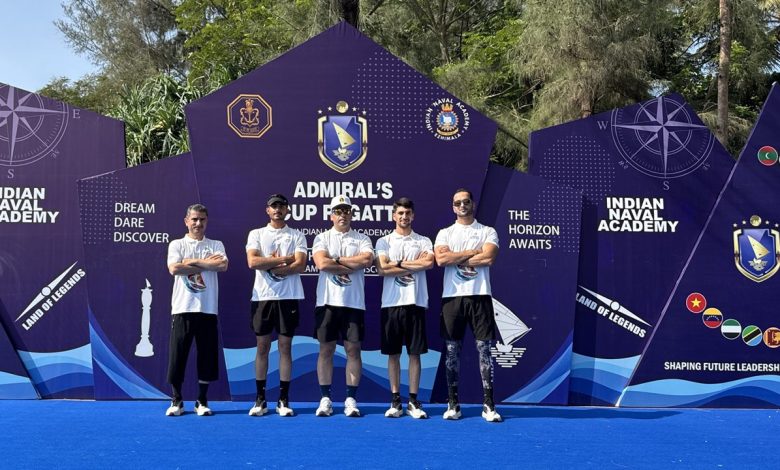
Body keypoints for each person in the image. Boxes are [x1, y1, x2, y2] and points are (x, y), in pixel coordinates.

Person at [434, 189, 502, 422]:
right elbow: (442, 259)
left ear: (472, 203)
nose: (462, 205)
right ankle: (453, 404)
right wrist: (473, 251)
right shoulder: (445, 233)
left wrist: (457, 257)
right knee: (452, 351)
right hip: (452, 298)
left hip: (480, 296)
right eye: (457, 203)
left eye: (465, 201)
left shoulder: (487, 231)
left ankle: (489, 405)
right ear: (453, 207)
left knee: (484, 350)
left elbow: (489, 258)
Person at [311, 195, 374, 417]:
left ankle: (350, 399)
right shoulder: (322, 238)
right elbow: (321, 263)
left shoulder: (362, 238)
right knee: (326, 350)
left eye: (346, 210)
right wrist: (350, 263)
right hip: (327, 302)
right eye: (338, 211)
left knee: (353, 350)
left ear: (352, 214)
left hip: (353, 303)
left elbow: (366, 260)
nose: (343, 215)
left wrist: (335, 261)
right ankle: (325, 399)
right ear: (331, 215)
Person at [245, 194, 308, 417]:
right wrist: (284, 260)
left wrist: (272, 265)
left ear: (287, 210)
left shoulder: (297, 235)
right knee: (262, 347)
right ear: (268, 210)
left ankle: (283, 399)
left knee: (285, 347)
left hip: (288, 298)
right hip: (262, 297)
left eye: (281, 206)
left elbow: (300, 265)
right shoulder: (256, 234)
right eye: (274, 206)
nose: (277, 209)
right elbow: (253, 261)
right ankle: (260, 399)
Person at [165, 204, 228, 417]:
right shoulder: (177, 244)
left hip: (207, 309)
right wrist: (206, 264)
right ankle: (177, 400)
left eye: (202, 219)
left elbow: (222, 266)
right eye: (194, 219)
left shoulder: (216, 244)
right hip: (183, 308)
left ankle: (201, 400)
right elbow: (174, 268)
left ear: (206, 221)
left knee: (207, 356)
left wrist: (191, 262)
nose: (198, 223)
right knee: (178, 355)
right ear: (186, 221)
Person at [375, 197, 434, 419]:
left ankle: (413, 400)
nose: (404, 217)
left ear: (413, 215)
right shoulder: (384, 242)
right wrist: (412, 265)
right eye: (400, 213)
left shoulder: (423, 241)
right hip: (391, 304)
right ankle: (395, 400)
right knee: (393, 354)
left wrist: (397, 264)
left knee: (414, 354)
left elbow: (428, 263)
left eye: (407, 213)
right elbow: (382, 269)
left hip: (415, 303)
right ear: (394, 216)